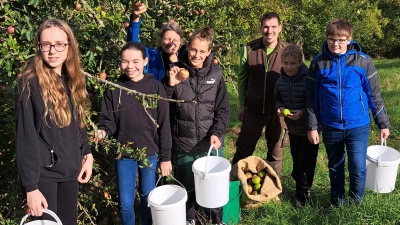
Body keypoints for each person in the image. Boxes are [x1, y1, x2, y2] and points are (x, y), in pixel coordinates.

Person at [15, 18, 93, 225]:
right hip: (43, 178)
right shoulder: (29, 84)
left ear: (69, 46)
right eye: (46, 44)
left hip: (70, 172)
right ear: (39, 46)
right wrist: (31, 187)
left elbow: (79, 122)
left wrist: (87, 153)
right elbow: (26, 138)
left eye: (59, 44)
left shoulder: (71, 78)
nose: (53, 50)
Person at [306, 18, 390, 206]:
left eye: (341, 40)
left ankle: (355, 203)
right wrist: (312, 126)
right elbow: (311, 98)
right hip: (330, 125)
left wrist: (383, 123)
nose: (336, 44)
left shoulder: (363, 61)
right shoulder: (318, 63)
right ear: (327, 39)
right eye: (331, 39)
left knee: (357, 167)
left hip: (358, 126)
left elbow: (374, 94)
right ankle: (337, 202)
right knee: (335, 166)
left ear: (349, 39)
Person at [95, 41, 172, 225]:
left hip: (150, 153)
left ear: (145, 61)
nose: (130, 66)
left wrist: (165, 157)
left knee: (147, 197)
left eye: (135, 61)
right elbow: (108, 121)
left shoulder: (155, 88)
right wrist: (103, 132)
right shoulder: (114, 88)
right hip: (124, 154)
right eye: (124, 61)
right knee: (125, 203)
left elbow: (164, 124)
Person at [165, 26, 230, 225]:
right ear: (187, 48)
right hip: (183, 144)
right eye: (193, 50)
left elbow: (223, 110)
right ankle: (190, 220)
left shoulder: (216, 75)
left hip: (208, 145)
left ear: (209, 52)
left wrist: (217, 133)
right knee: (186, 187)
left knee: (213, 188)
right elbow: (162, 108)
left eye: (202, 51)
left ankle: (216, 220)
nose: (197, 55)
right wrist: (170, 86)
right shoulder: (175, 72)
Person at [232, 12, 289, 177]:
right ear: (260, 28)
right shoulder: (249, 49)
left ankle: (272, 188)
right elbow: (242, 79)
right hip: (253, 109)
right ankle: (236, 184)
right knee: (243, 150)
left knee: (275, 153)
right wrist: (242, 103)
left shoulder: (288, 51)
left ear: (279, 28)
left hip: (278, 112)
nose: (269, 31)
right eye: (265, 27)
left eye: (273, 27)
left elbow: (297, 82)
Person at [274, 45, 319, 207]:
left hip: (309, 129)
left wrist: (302, 113)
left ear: (300, 62)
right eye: (285, 63)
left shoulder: (308, 79)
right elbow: (277, 99)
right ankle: (299, 187)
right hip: (292, 129)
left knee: (306, 163)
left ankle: (303, 195)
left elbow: (313, 102)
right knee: (296, 161)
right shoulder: (280, 81)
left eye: (293, 63)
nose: (288, 67)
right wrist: (279, 108)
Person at [127, 1, 185, 82]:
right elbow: (133, 44)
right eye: (167, 39)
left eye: (175, 40)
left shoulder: (186, 59)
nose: (171, 43)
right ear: (161, 40)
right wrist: (136, 18)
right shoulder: (151, 56)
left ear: (181, 42)